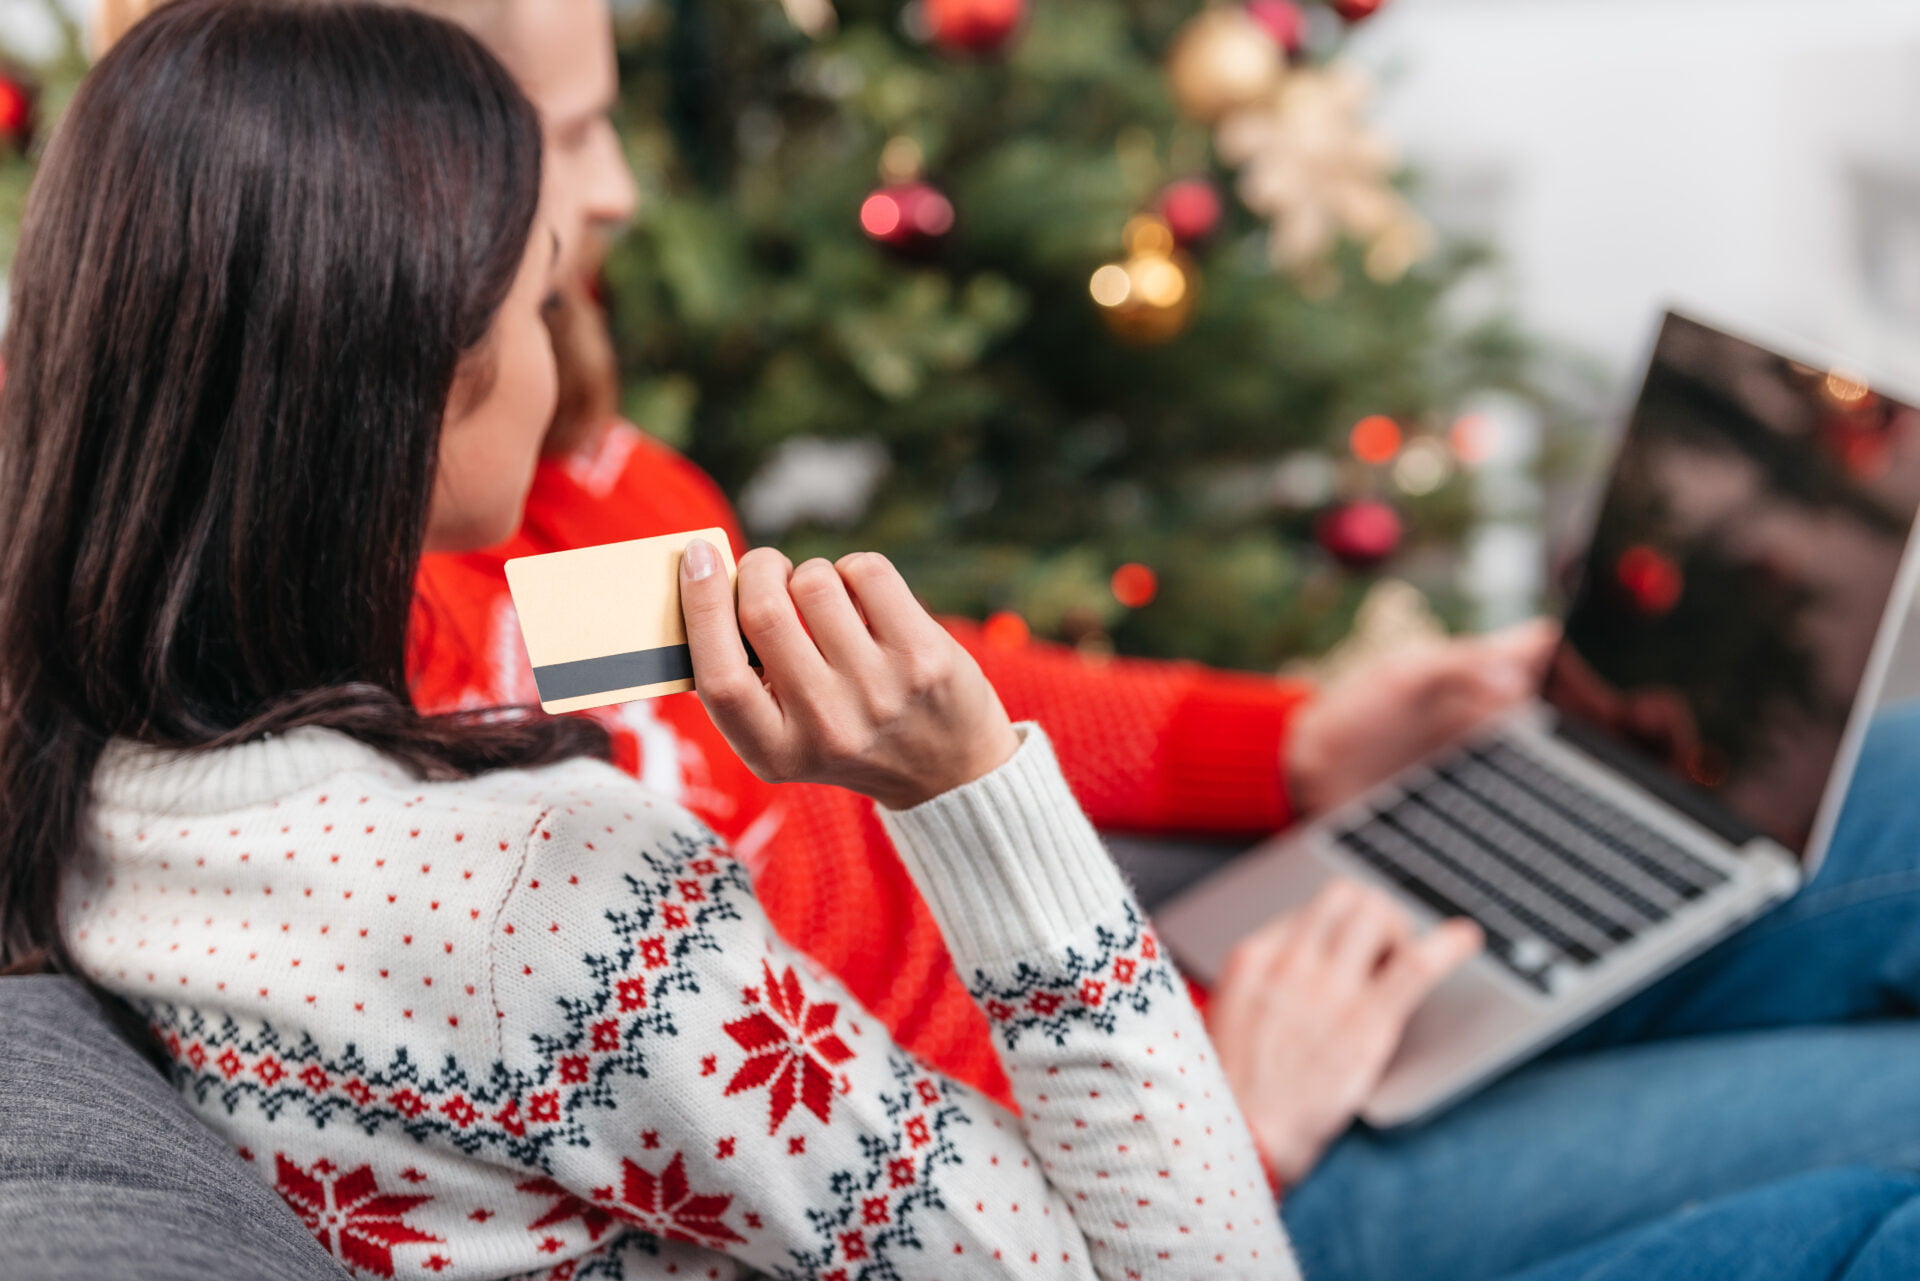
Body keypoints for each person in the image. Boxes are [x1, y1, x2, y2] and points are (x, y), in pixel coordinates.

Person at [69, 2, 1920, 1279]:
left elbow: (880, 668)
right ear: (398, 255)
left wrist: (1296, 745)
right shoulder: (486, 797)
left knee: (1863, 796)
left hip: (1148, 1026)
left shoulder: (559, 523)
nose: (617, 194)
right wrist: (1245, 1109)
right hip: (1195, 1162)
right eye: (565, 147)